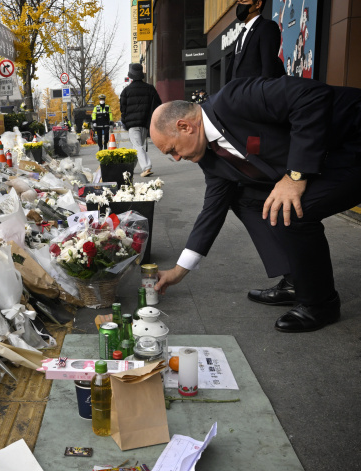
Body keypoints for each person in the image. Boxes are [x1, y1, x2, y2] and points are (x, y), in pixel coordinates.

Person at [149, 76, 361, 332]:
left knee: (292, 210)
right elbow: (213, 210)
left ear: (185, 126)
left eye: (172, 150)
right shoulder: (210, 159)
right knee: (245, 198)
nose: (177, 158)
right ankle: (297, 279)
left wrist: (295, 175)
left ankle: (320, 303)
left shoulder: (235, 99)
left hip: (350, 139)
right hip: (326, 163)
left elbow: (313, 96)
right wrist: (179, 271)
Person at [226, 0, 286, 82]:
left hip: (254, 92)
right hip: (235, 92)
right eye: (238, 2)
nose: (239, 5)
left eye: (243, 1)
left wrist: (262, 92)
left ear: (258, 4)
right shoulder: (242, 34)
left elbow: (268, 68)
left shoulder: (267, 27)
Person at [119, 63, 162, 177]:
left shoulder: (126, 91)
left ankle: (146, 167)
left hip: (132, 124)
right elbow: (158, 104)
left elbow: (122, 108)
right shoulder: (150, 88)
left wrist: (125, 120)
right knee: (138, 145)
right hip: (145, 123)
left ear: (131, 76)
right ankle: (131, 167)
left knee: (137, 146)